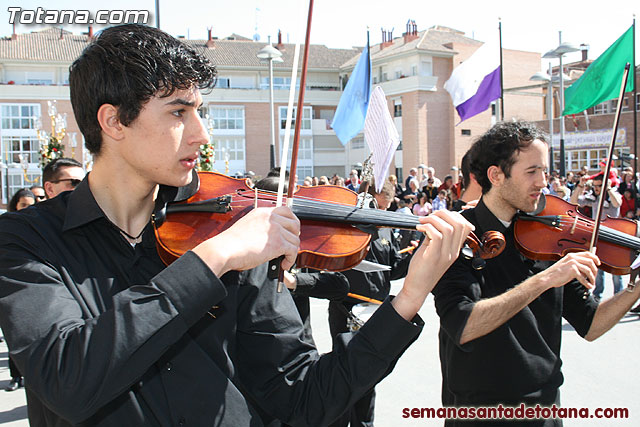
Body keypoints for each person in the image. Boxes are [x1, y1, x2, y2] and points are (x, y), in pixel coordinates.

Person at [0, 24, 474, 427]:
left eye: (199, 112)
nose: (201, 133)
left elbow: (303, 399)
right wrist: (214, 259)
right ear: (114, 122)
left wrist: (408, 300)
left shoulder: (228, 226)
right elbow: (68, 379)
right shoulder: (27, 241)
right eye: (178, 112)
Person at [432, 120, 640, 426]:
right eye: (532, 172)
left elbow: (591, 324)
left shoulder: (550, 239)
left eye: (545, 171)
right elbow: (463, 325)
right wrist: (545, 280)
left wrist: (634, 289)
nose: (543, 182)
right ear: (496, 175)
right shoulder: (458, 235)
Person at [328, 178, 419, 427]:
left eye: (387, 208)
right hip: (346, 309)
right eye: (379, 207)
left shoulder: (386, 228)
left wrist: (414, 255)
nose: (384, 214)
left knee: (369, 376)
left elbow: (392, 270)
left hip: (375, 313)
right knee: (345, 373)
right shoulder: (348, 227)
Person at [570, 173, 623, 301]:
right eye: (595, 186)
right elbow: (574, 202)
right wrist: (580, 185)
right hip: (598, 235)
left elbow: (617, 203)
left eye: (599, 186)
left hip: (613, 236)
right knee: (598, 268)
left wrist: (609, 189)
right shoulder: (593, 197)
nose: (597, 189)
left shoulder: (612, 195)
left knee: (616, 270)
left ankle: (619, 295)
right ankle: (598, 294)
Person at [3, 188, 35, 392]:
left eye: (31, 204)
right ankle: (16, 376)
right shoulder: (10, 227)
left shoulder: (44, 226)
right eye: (24, 204)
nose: (28, 208)